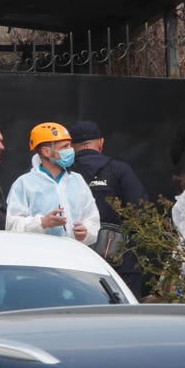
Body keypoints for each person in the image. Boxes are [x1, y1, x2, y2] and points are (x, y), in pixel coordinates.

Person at [69, 120, 149, 299]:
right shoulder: (119, 170)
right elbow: (141, 212)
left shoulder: (65, 173)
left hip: (75, 259)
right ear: (101, 142)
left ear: (71, 146)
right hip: (120, 261)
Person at [6, 122, 100, 245]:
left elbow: (93, 218)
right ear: (46, 151)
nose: (70, 150)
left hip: (75, 257)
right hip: (40, 258)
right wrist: (42, 222)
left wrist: (86, 232)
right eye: (64, 147)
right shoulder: (24, 184)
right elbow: (11, 225)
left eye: (70, 146)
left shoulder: (77, 180)